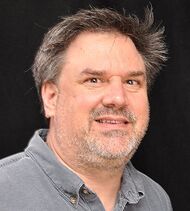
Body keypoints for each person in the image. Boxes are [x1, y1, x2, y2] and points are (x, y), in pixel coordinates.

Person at [0, 7, 172, 211]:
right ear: (51, 98)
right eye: (94, 80)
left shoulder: (156, 200)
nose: (118, 98)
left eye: (132, 82)